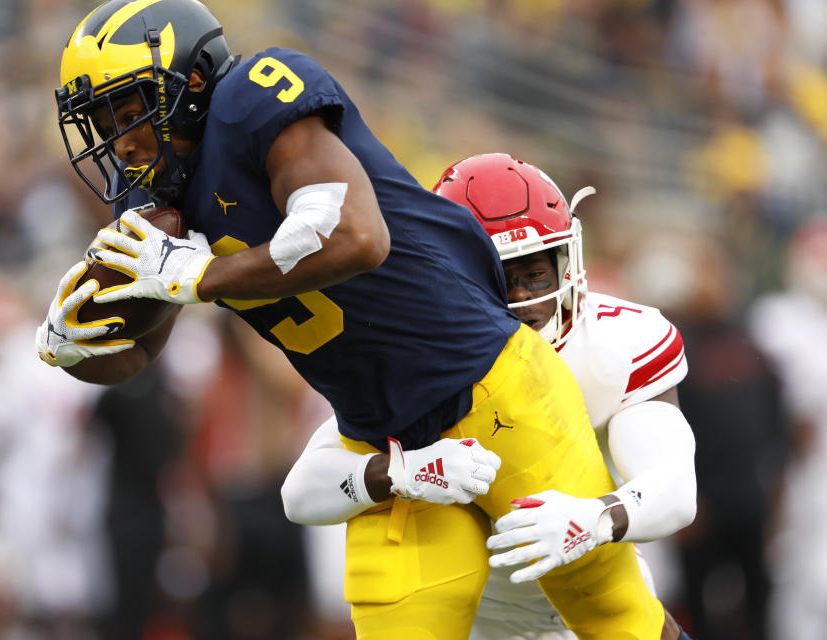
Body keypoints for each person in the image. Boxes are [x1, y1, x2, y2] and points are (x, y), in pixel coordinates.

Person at [36, 1, 672, 637]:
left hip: (492, 383)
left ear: (192, 82)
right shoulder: (163, 205)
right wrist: (71, 348)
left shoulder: (253, 101)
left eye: (129, 110)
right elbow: (137, 357)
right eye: (102, 122)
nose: (122, 140)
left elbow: (356, 237)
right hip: (388, 448)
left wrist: (199, 277)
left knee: (619, 619)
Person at [282, 152, 699, 639]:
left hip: (597, 604)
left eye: (535, 271)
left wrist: (595, 517)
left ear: (566, 260)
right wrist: (400, 472)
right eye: (501, 277)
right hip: (475, 624)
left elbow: (675, 487)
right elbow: (302, 493)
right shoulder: (417, 357)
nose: (523, 297)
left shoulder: (614, 343)